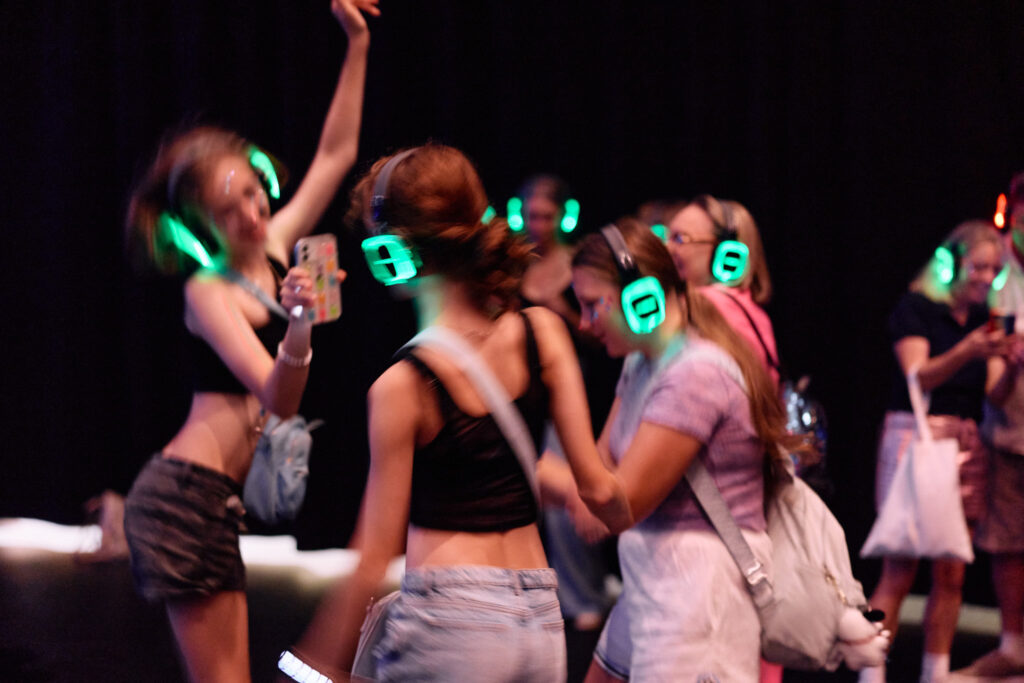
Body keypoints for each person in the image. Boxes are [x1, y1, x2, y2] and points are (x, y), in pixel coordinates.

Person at [283, 144, 632, 682]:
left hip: (451, 616)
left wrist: (316, 661)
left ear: (390, 253)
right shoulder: (544, 332)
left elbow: (376, 550)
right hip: (540, 613)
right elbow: (599, 490)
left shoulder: (401, 386)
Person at [120, 2, 376, 681]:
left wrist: (356, 42)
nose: (254, 208)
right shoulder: (207, 288)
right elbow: (278, 396)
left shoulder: (278, 242)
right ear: (202, 218)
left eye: (254, 189)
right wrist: (299, 323)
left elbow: (337, 153)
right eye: (231, 203)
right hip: (183, 496)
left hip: (214, 500)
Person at [568, 218, 798, 681]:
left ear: (642, 298)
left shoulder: (695, 373)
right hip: (657, 577)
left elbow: (618, 506)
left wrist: (540, 460)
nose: (583, 323)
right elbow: (597, 478)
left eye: (593, 305)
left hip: (700, 590)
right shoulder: (641, 361)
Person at [859, 219, 1005, 683]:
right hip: (918, 440)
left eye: (994, 270)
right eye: (978, 267)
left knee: (952, 575)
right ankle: (871, 672)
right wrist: (968, 350)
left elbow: (996, 394)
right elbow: (917, 376)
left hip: (968, 443)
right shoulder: (917, 308)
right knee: (898, 571)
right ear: (951, 264)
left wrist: (1013, 363)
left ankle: (935, 673)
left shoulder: (986, 319)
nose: (985, 278)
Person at [515, 175, 620, 633]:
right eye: (531, 215)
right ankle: (531, 591)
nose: (537, 224)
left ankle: (583, 594)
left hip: (571, 390)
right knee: (523, 487)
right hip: (520, 388)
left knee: (568, 493)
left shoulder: (575, 264)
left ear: (562, 216)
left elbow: (597, 332)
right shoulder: (514, 261)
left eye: (546, 215)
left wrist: (552, 304)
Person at [955, 176, 1024, 679]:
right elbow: (994, 389)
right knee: (1007, 544)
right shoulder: (999, 283)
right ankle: (1014, 646)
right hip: (1008, 437)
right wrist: (1015, 363)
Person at [665, 194, 779, 385]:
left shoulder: (702, 305)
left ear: (726, 253)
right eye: (667, 237)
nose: (667, 248)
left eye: (679, 239)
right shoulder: (752, 311)